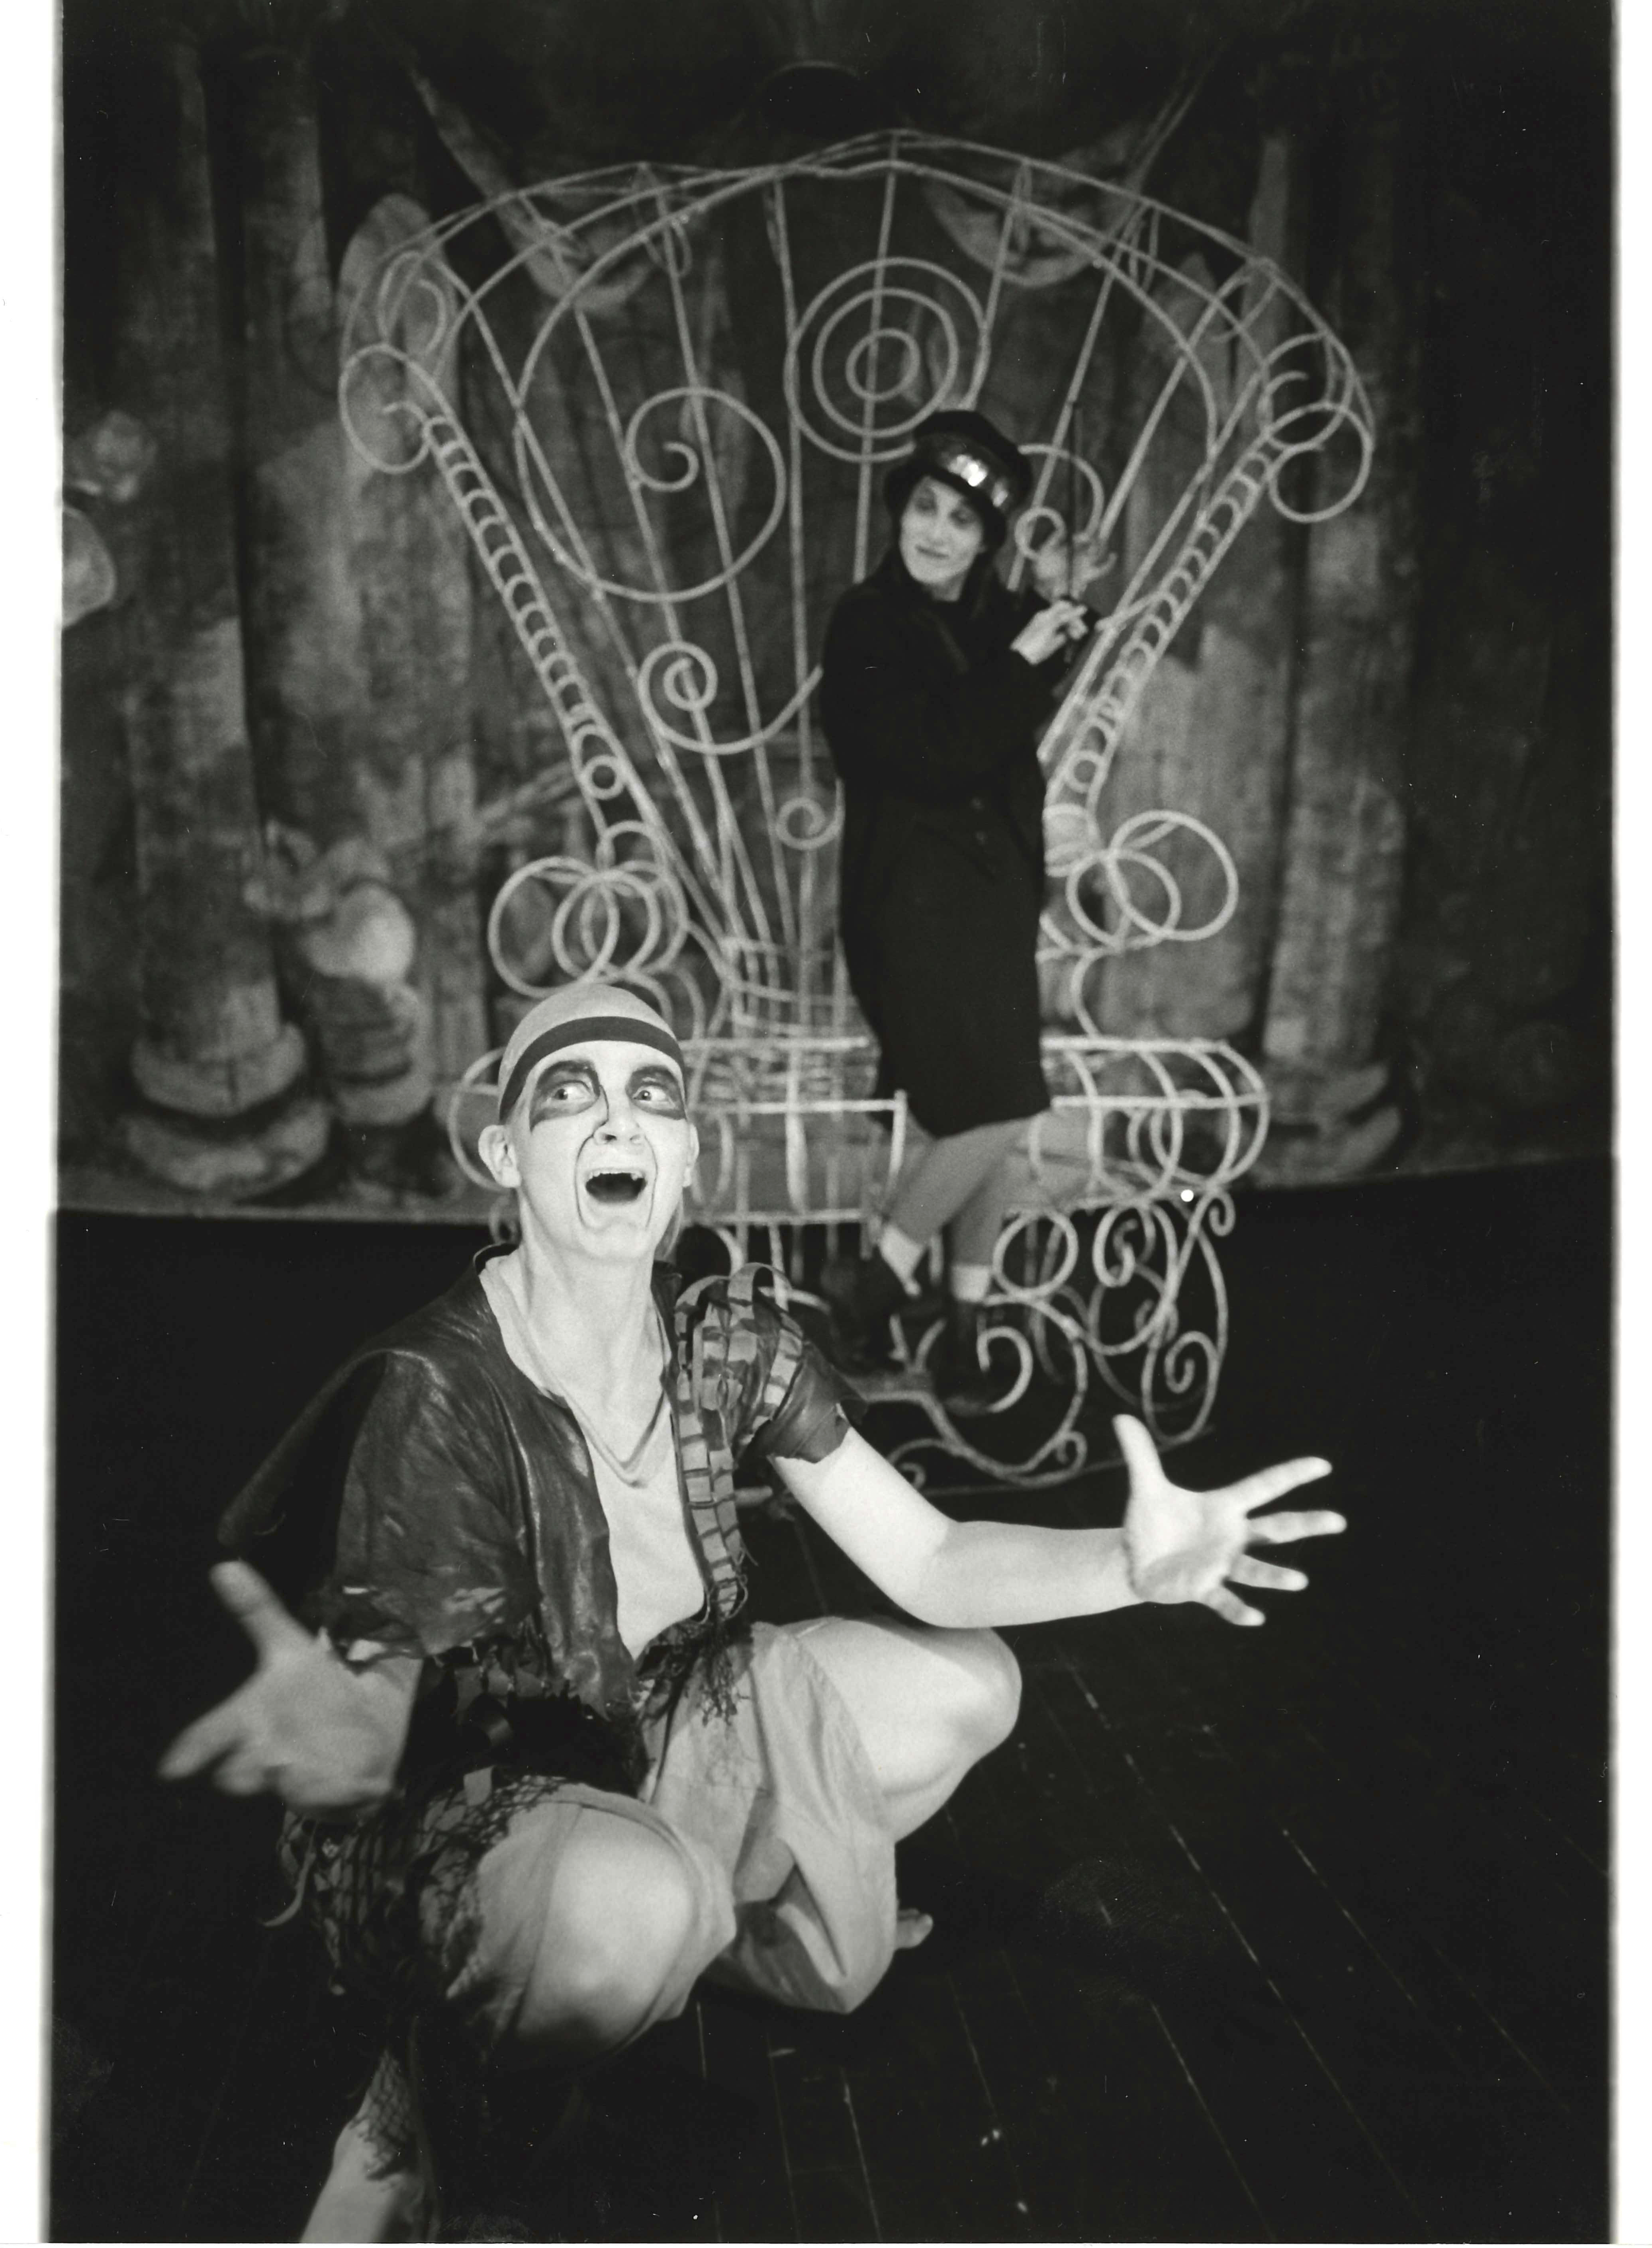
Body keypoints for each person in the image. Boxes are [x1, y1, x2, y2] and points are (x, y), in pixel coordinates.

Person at [160, 981, 1345, 2242]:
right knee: (630, 1914)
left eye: (650, 1095)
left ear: (684, 1159)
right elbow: (389, 1691)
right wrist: (353, 1735)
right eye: (569, 1093)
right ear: (504, 1154)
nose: (617, 1120)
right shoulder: (437, 1383)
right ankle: (409, 2103)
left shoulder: (721, 1339)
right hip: (482, 1795)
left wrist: (1129, 1563)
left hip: (666, 1724)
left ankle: (694, 1917)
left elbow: (932, 1555)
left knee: (969, 1687)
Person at [817, 407, 1102, 1413]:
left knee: (982, 1111)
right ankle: (876, 1283)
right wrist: (1021, 658)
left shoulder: (983, 617)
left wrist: (1054, 611)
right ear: (902, 511)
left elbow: (1029, 664)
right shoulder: (867, 623)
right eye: (925, 509)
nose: (935, 533)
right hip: (911, 913)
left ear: (986, 539)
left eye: (961, 520)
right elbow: (933, 750)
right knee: (1002, 1105)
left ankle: (964, 1328)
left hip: (989, 911)